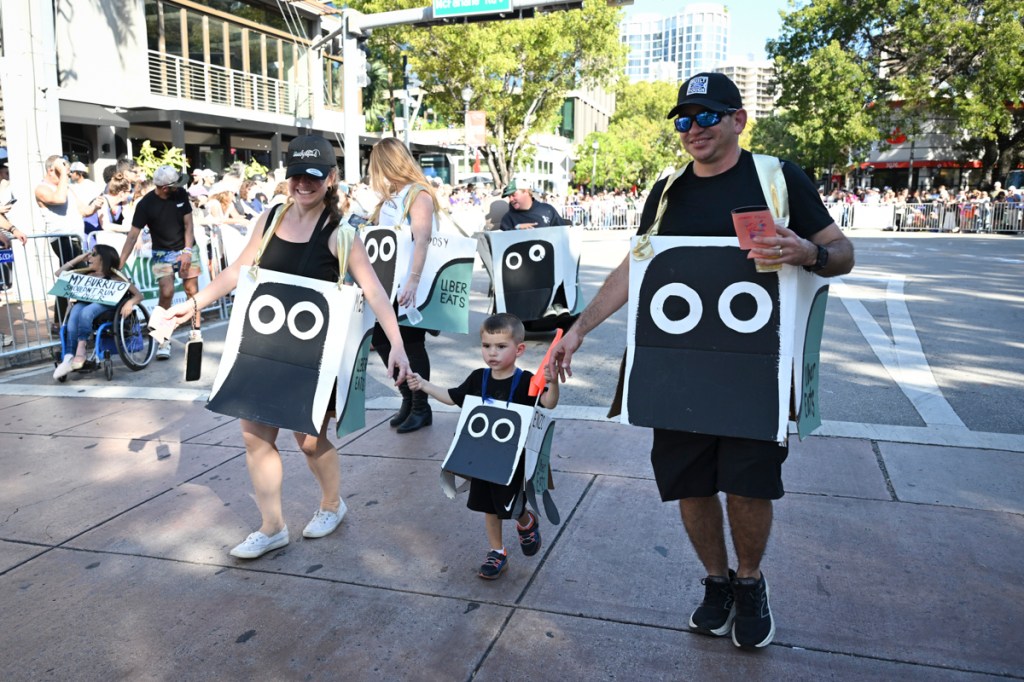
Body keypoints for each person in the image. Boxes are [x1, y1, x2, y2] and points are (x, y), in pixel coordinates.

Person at [546, 72, 854, 649]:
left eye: (707, 116)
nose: (693, 130)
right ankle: (716, 582)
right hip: (677, 370)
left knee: (747, 487)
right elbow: (636, 267)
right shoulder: (666, 190)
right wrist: (578, 329)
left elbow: (843, 253)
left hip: (754, 372)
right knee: (690, 485)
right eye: (684, 120)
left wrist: (808, 251)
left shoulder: (778, 178)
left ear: (738, 119)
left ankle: (750, 582)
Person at [161, 134, 410, 560]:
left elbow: (374, 292)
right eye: (296, 176)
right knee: (254, 435)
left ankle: (332, 503)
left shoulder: (341, 234)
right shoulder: (272, 218)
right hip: (263, 349)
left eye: (313, 177)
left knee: (309, 440)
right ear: (287, 179)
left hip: (314, 358)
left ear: (330, 179)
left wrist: (399, 347)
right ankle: (272, 526)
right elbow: (240, 270)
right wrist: (193, 304)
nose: (303, 185)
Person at [407, 313, 558, 579]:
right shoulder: (478, 379)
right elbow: (453, 397)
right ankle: (497, 551)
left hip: (512, 461)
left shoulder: (525, 382)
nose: (492, 353)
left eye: (501, 347)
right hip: (482, 457)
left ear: (519, 349)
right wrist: (426, 386)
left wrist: (552, 382)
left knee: (510, 506)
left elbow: (548, 403)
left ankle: (527, 521)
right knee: (490, 507)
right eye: (486, 346)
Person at [366, 137, 438, 434]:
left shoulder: (418, 194)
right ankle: (409, 399)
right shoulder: (392, 198)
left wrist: (414, 280)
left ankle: (421, 405)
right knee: (384, 341)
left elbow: (422, 239)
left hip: (407, 284)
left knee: (411, 343)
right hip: (387, 283)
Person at [117, 165, 197, 360]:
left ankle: (196, 331)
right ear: (163, 187)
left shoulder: (181, 195)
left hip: (186, 249)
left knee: (192, 291)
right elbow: (132, 236)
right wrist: (119, 263)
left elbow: (189, 225)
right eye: (174, 185)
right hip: (161, 253)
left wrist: (187, 251)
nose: (178, 187)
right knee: (167, 292)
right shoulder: (145, 205)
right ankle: (163, 339)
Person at [51, 244, 143, 379]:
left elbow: (139, 295)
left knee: (86, 311)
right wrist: (78, 258)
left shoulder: (115, 276)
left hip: (106, 305)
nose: (89, 257)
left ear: (103, 258)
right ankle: (69, 356)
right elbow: (59, 274)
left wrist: (130, 302)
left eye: (93, 254)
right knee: (74, 313)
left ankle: (81, 350)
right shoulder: (86, 273)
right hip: (85, 302)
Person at [35, 155, 105, 328]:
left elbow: (84, 211)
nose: (67, 169)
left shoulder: (67, 188)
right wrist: (64, 175)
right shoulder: (42, 188)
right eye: (63, 166)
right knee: (80, 275)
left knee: (69, 279)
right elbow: (59, 199)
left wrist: (95, 206)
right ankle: (80, 320)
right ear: (52, 169)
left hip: (76, 237)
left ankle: (61, 321)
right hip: (61, 237)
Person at [499, 178, 567, 231]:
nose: (510, 199)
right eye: (509, 197)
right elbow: (501, 243)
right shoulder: (507, 219)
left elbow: (562, 232)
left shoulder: (548, 210)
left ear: (526, 192)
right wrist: (516, 230)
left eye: (513, 195)